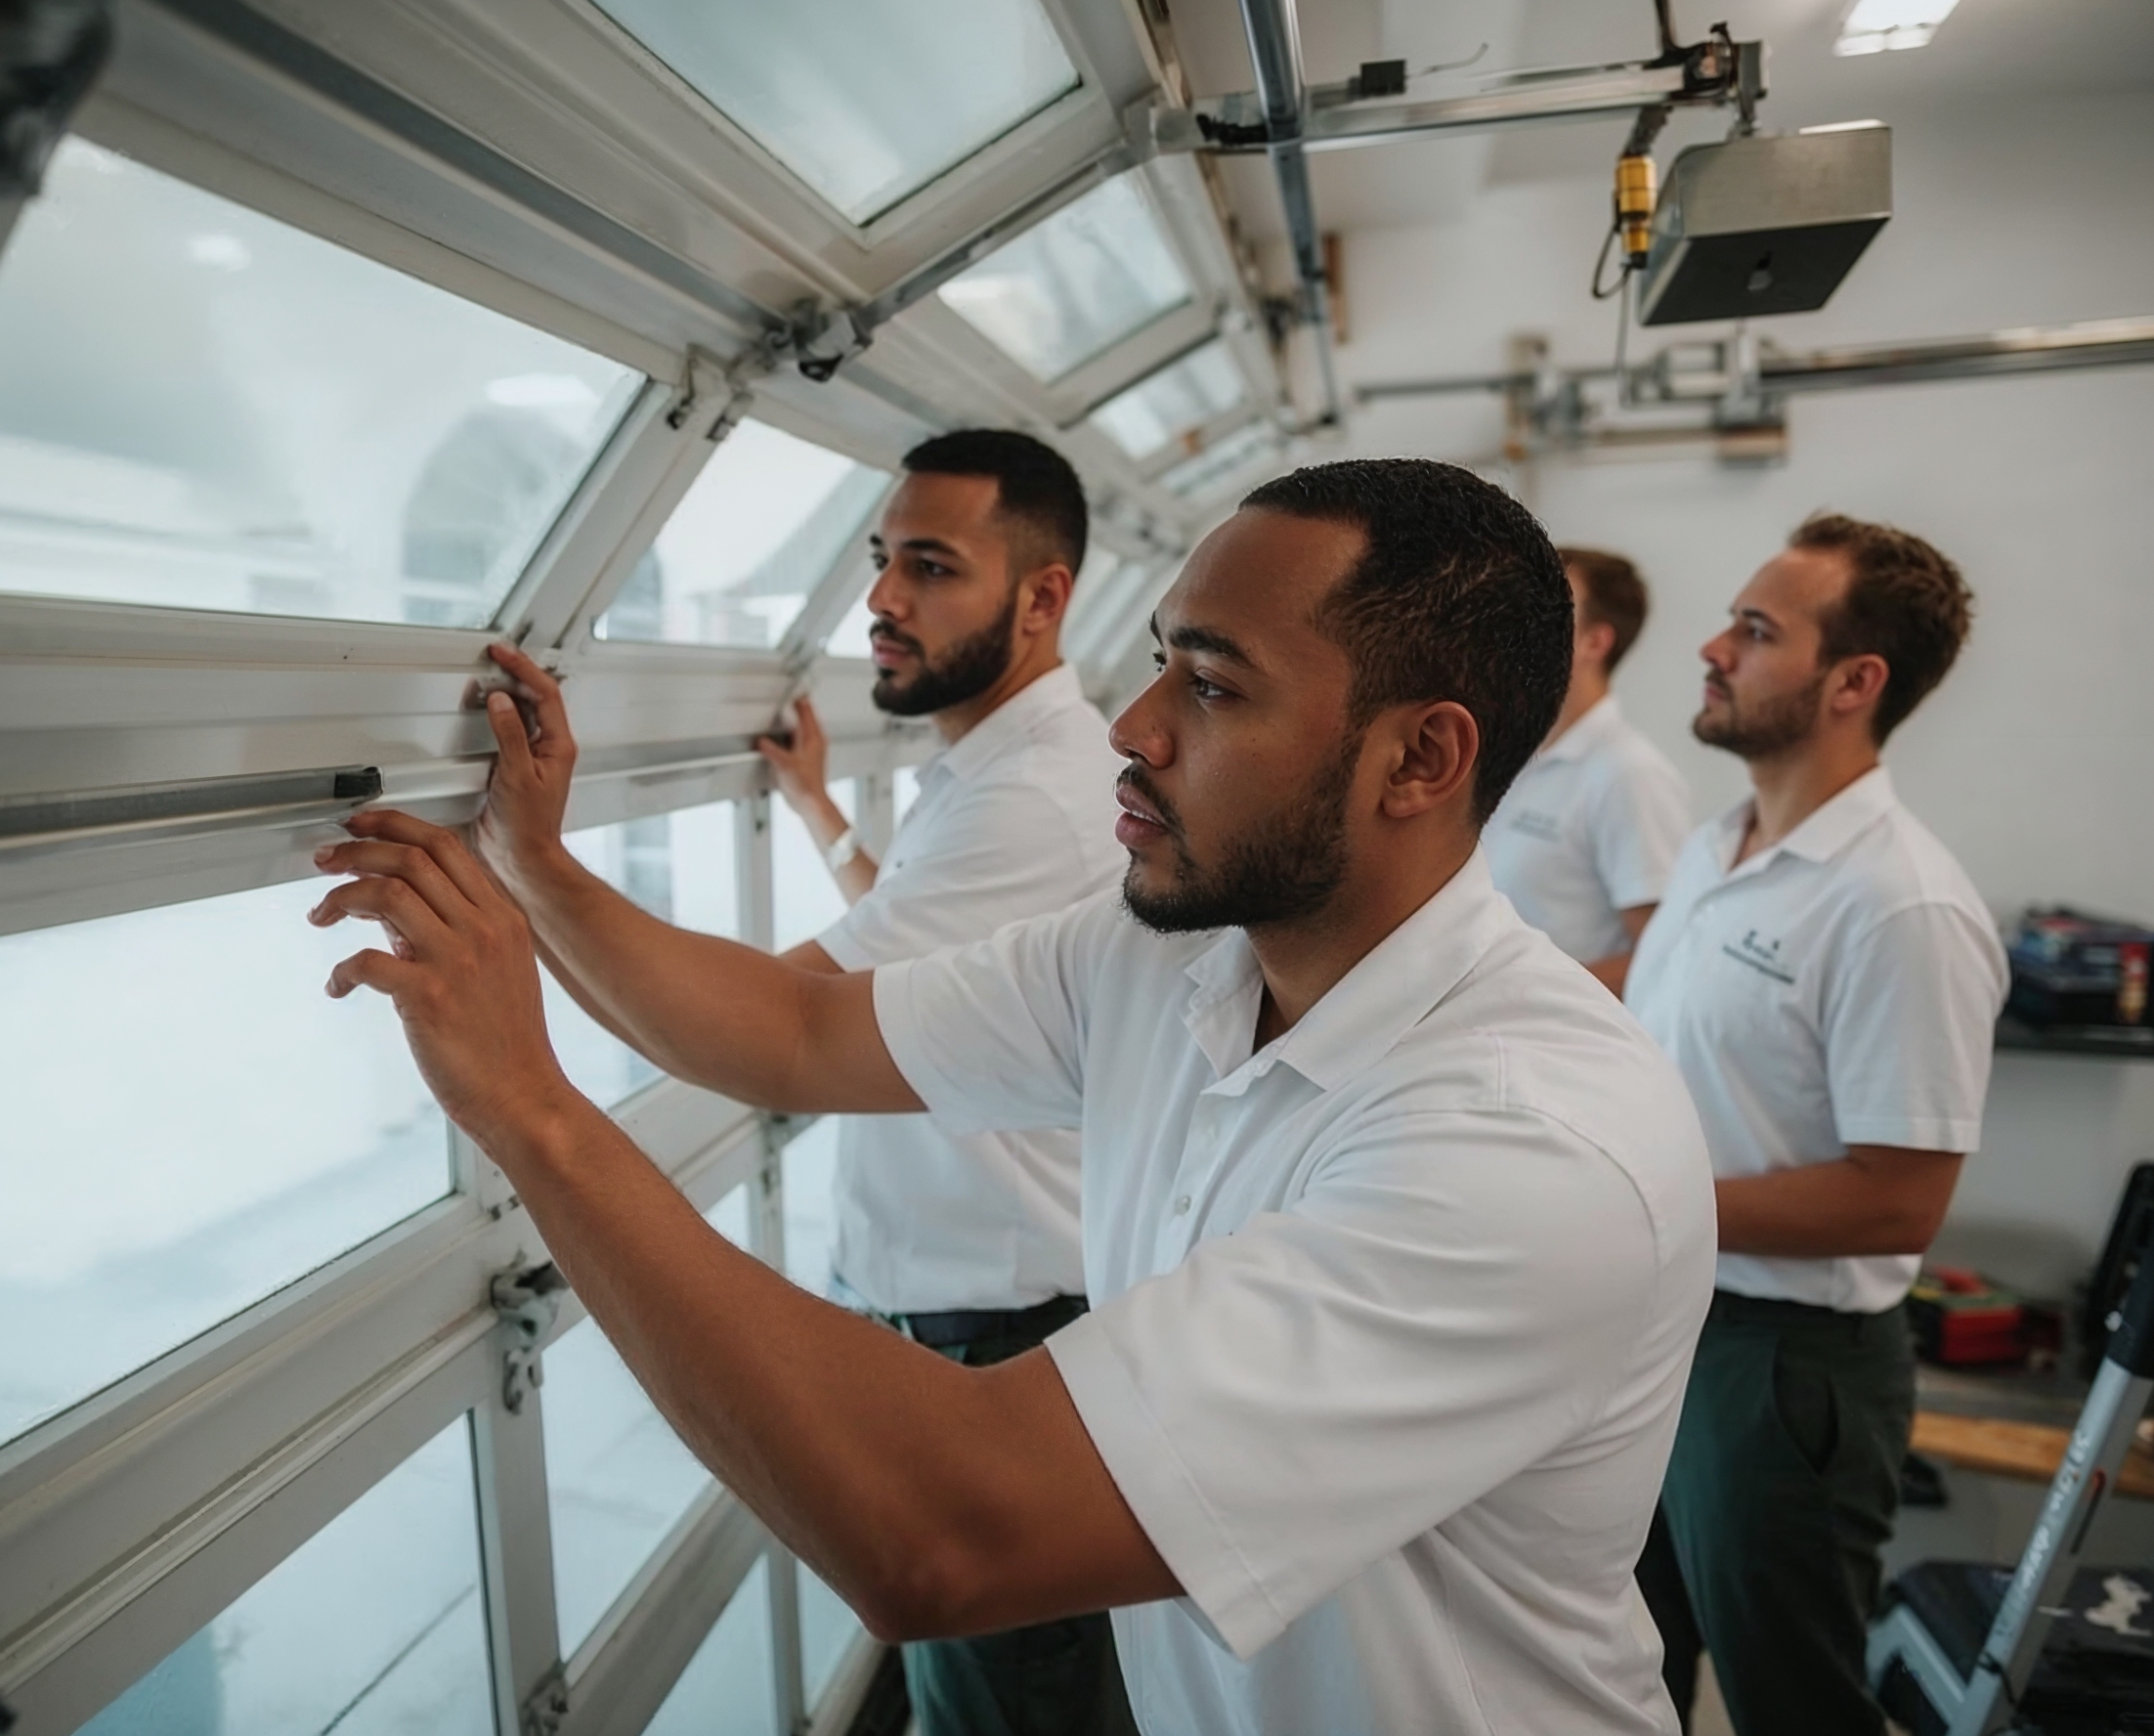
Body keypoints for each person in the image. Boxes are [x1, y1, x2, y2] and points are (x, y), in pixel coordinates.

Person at [307, 458, 1716, 1735]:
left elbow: (936, 1535)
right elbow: (797, 1031)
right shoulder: (1165, 955)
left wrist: (530, 1108)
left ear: (1421, 759)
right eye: (1159, 662)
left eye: (1213, 687)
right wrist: (533, 865)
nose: (1134, 728)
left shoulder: (1527, 1145)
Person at [751, 429, 1130, 1736]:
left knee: (1003, 1709)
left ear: (1041, 598)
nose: (881, 599)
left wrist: (530, 883)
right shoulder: (993, 777)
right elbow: (917, 938)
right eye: (879, 559)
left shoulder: (1035, 800)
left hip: (999, 1340)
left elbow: (782, 1021)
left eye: (930, 566)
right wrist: (818, 811)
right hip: (980, 1326)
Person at [1622, 514, 2006, 1736]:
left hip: (1783, 1369)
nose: (1711, 649)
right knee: (1627, 1674)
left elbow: (1897, 1200)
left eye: (1753, 630)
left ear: (1852, 683)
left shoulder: (1902, 906)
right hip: (1665, 1324)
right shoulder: (1714, 848)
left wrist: (1638, 1203)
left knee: (1790, 1704)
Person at [1481, 547, 1689, 994]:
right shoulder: (1510, 751)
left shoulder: (1630, 774)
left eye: (1543, 610)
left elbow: (1664, 955)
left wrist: (1521, 996)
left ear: (1595, 642)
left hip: (1544, 1027)